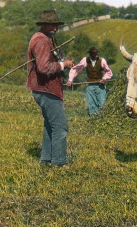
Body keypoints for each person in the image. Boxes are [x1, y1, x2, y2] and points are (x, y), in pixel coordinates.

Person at [26, 9, 74, 168]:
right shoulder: (41, 41)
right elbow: (44, 68)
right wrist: (63, 64)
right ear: (44, 25)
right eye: (51, 25)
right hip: (46, 89)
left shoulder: (46, 39)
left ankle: (46, 160)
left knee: (50, 125)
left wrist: (62, 62)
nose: (55, 28)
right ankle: (59, 163)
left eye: (56, 25)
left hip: (45, 89)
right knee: (60, 126)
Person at [66, 47, 112, 116]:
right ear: (90, 54)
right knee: (92, 104)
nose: (94, 56)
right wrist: (70, 80)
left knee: (102, 103)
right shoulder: (85, 60)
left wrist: (104, 78)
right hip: (90, 86)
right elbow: (76, 69)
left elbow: (108, 72)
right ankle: (93, 119)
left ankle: (103, 118)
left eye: (95, 54)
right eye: (93, 54)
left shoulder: (102, 61)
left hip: (100, 86)